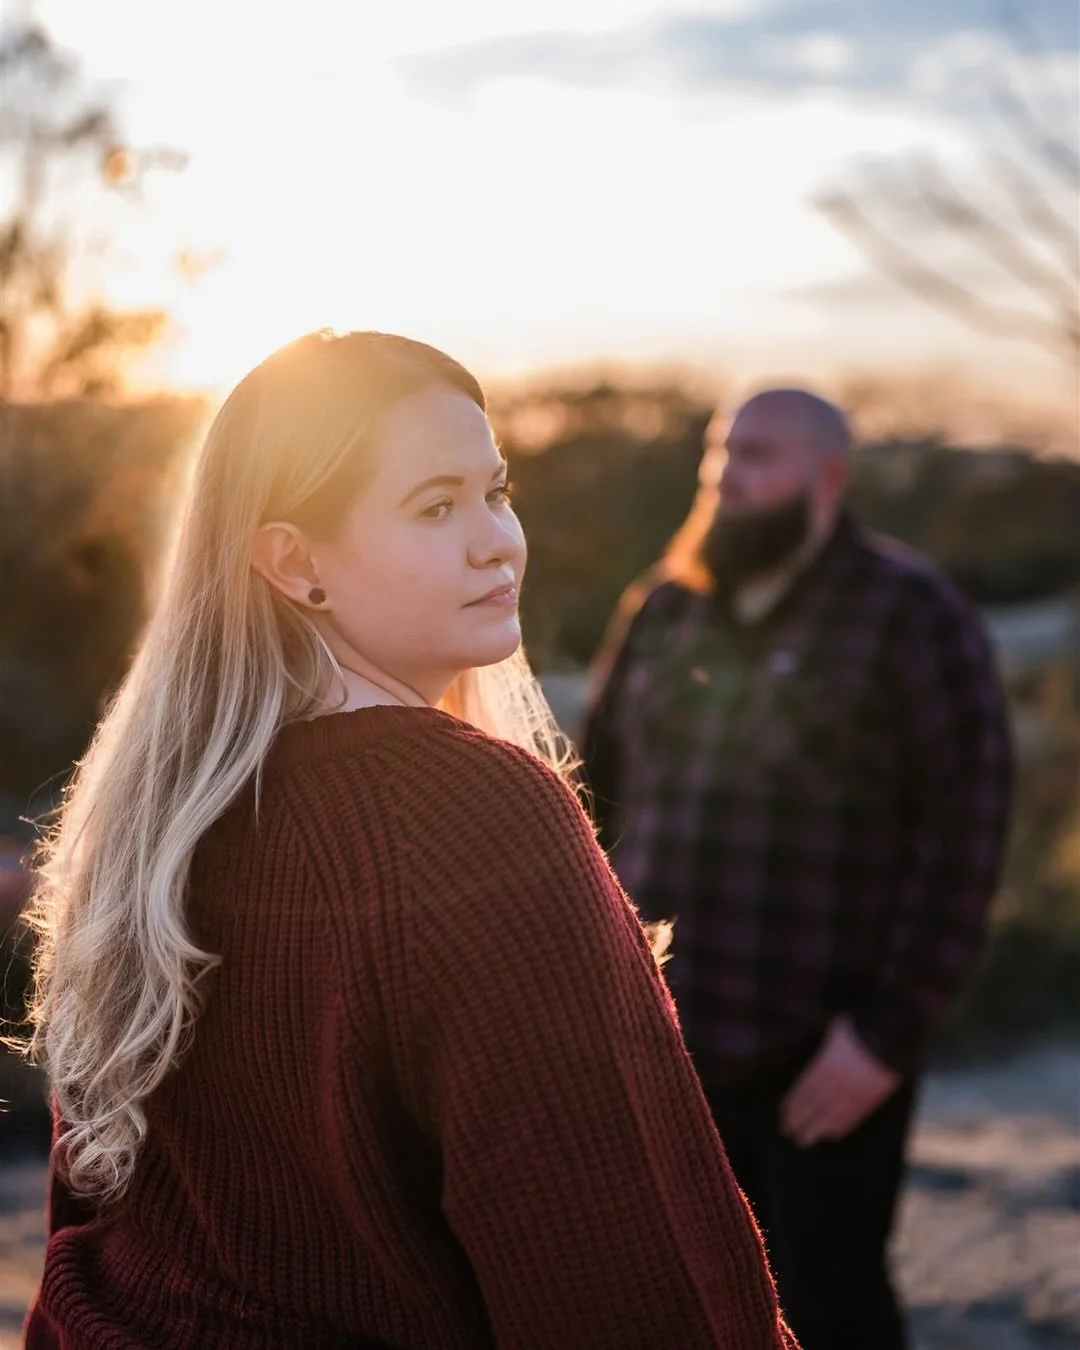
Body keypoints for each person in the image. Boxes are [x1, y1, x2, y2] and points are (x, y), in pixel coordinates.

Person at [19, 331, 797, 1350]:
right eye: (436, 506)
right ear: (294, 563)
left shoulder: (154, 815)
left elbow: (92, 1215)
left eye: (496, 491)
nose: (498, 542)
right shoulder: (469, 813)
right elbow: (625, 1275)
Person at [581, 388, 1012, 1350]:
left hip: (825, 1059)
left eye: (758, 455)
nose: (727, 475)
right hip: (667, 1044)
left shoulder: (912, 616)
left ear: (829, 476)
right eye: (717, 455)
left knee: (829, 1309)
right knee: (678, 1307)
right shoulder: (660, 607)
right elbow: (590, 800)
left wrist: (885, 1040)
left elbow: (965, 840)